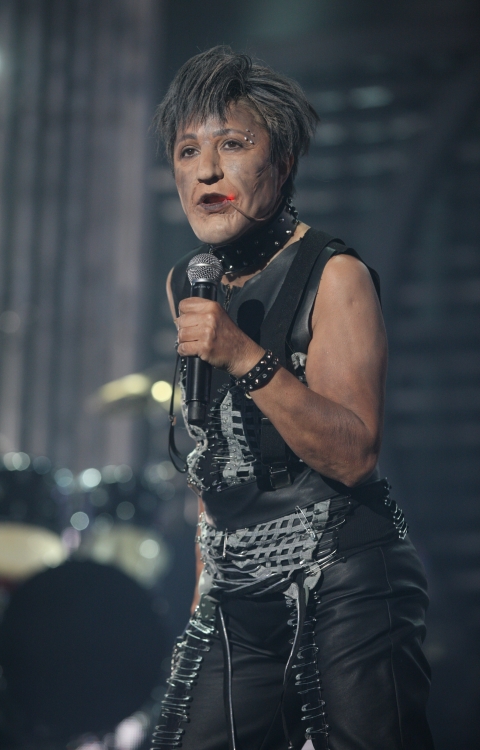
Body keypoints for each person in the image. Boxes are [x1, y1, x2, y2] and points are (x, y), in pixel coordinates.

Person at [151, 46, 434, 750]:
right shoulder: (189, 282)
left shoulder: (335, 275)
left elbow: (354, 455)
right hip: (235, 589)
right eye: (187, 151)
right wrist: (204, 587)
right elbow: (216, 453)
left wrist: (243, 356)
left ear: (282, 163)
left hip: (344, 575)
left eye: (232, 144)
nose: (206, 170)